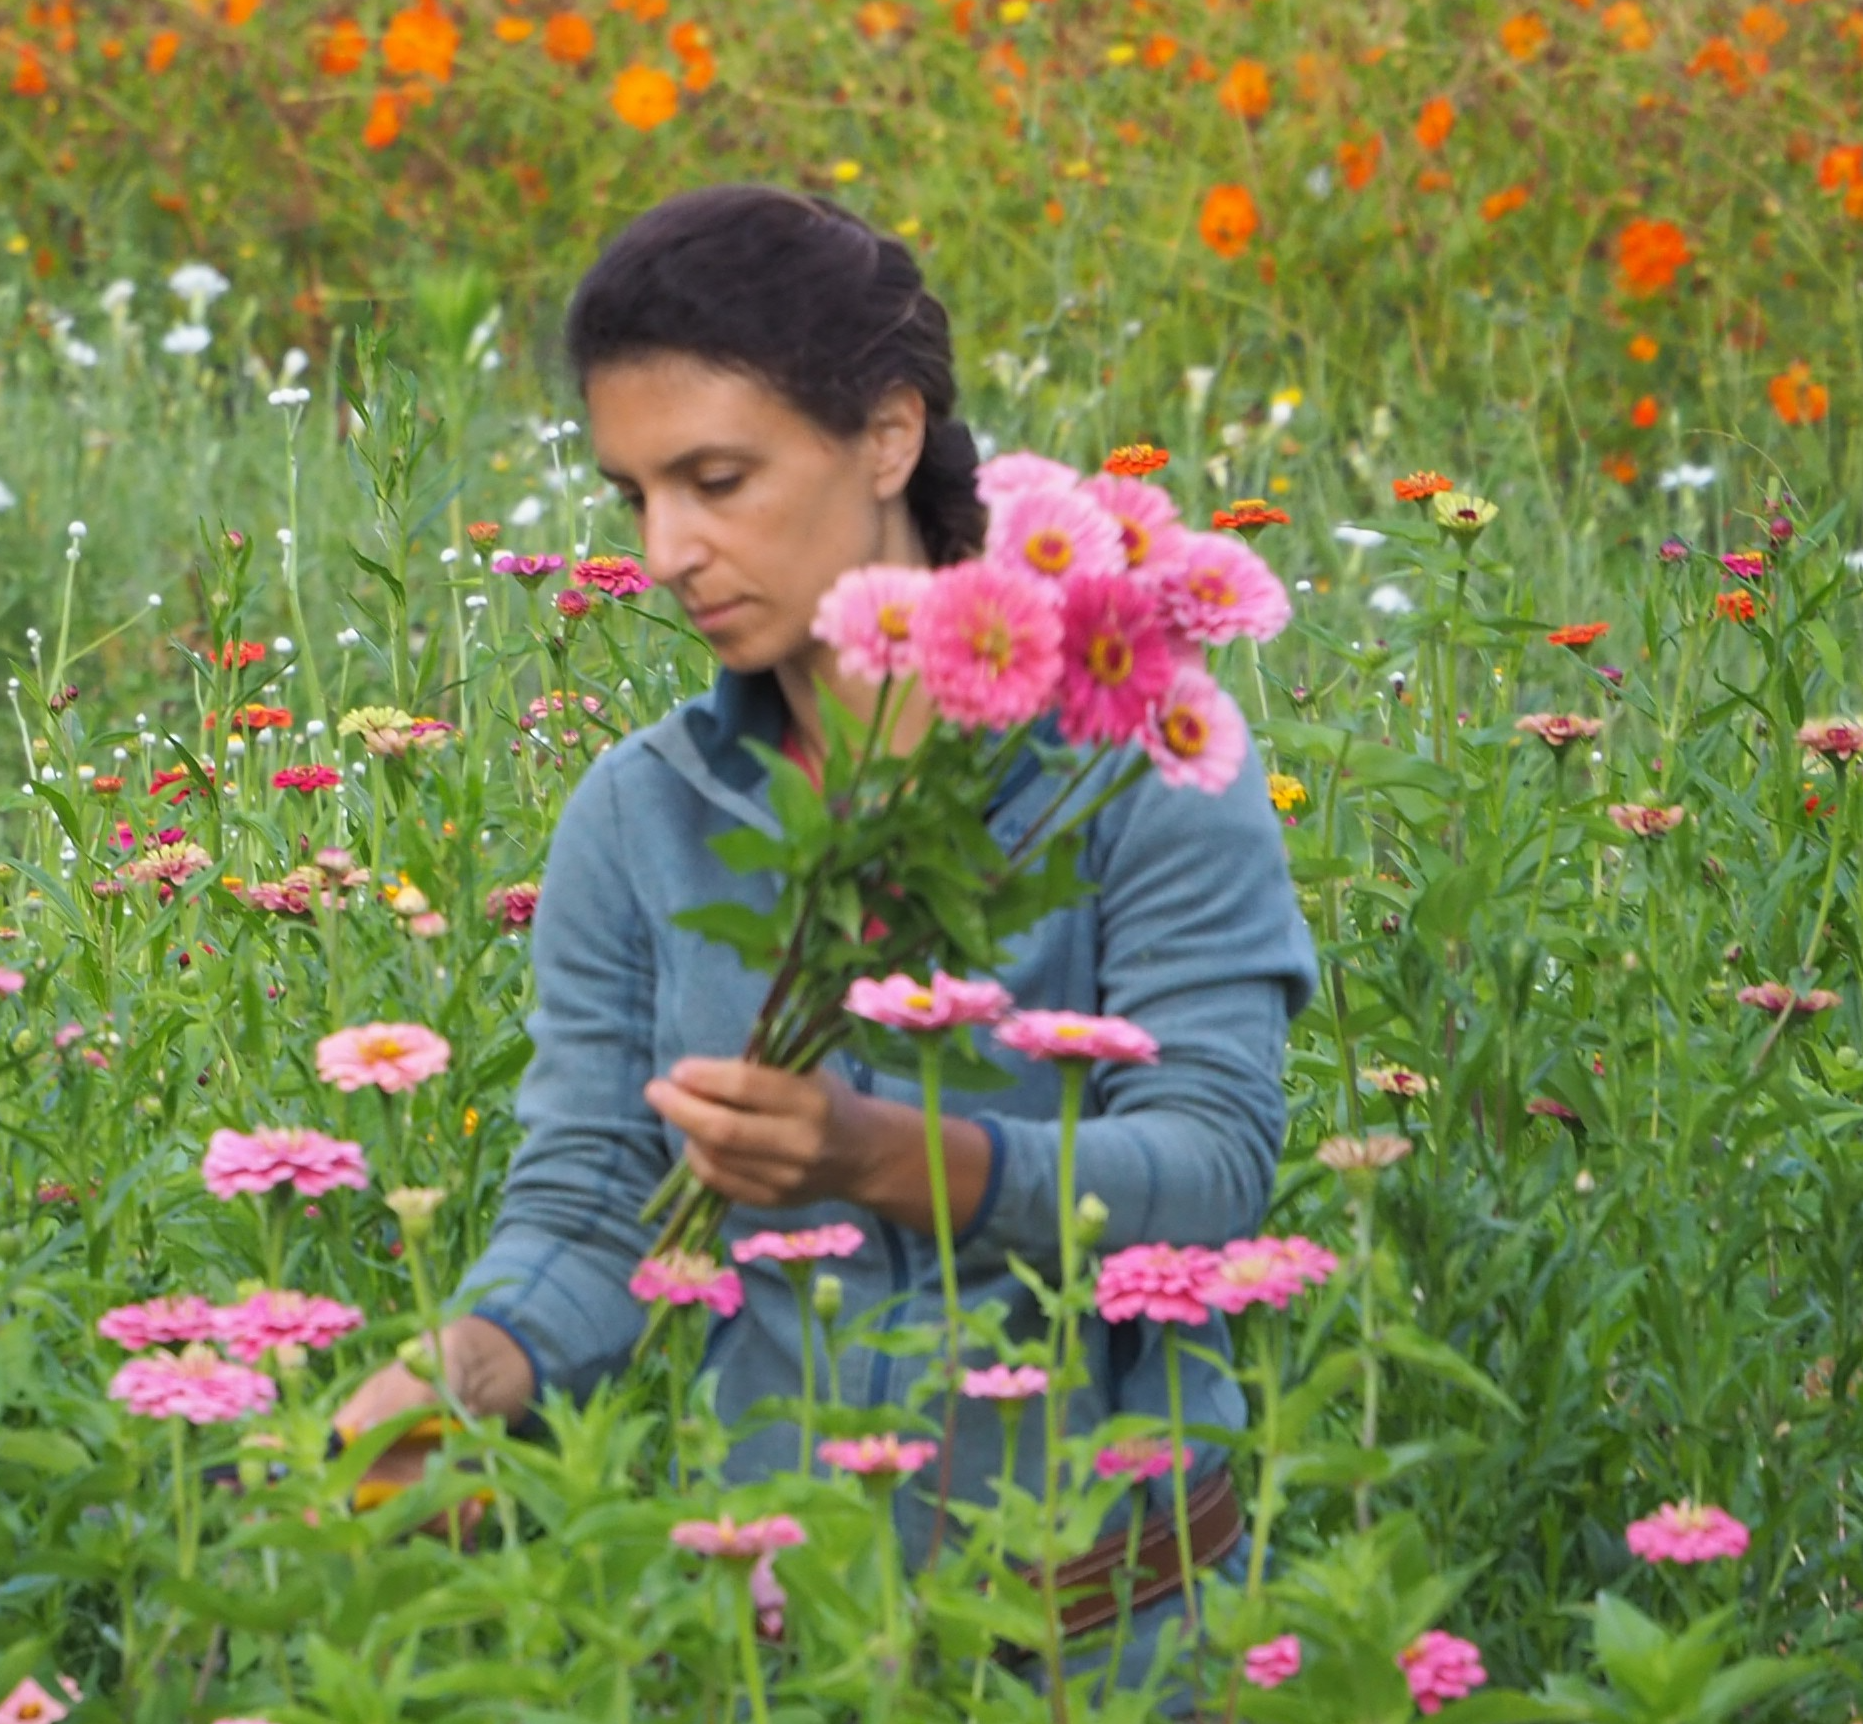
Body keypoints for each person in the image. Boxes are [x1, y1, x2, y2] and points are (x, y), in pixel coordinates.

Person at [334, 185, 1316, 1675]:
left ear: (886, 435)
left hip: (1107, 1647)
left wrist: (879, 1155)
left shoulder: (1134, 760)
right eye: (633, 494)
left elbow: (1212, 1167)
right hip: (780, 1652)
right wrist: (458, 1369)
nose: (667, 548)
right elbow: (600, 1200)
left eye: (717, 478)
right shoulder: (642, 813)